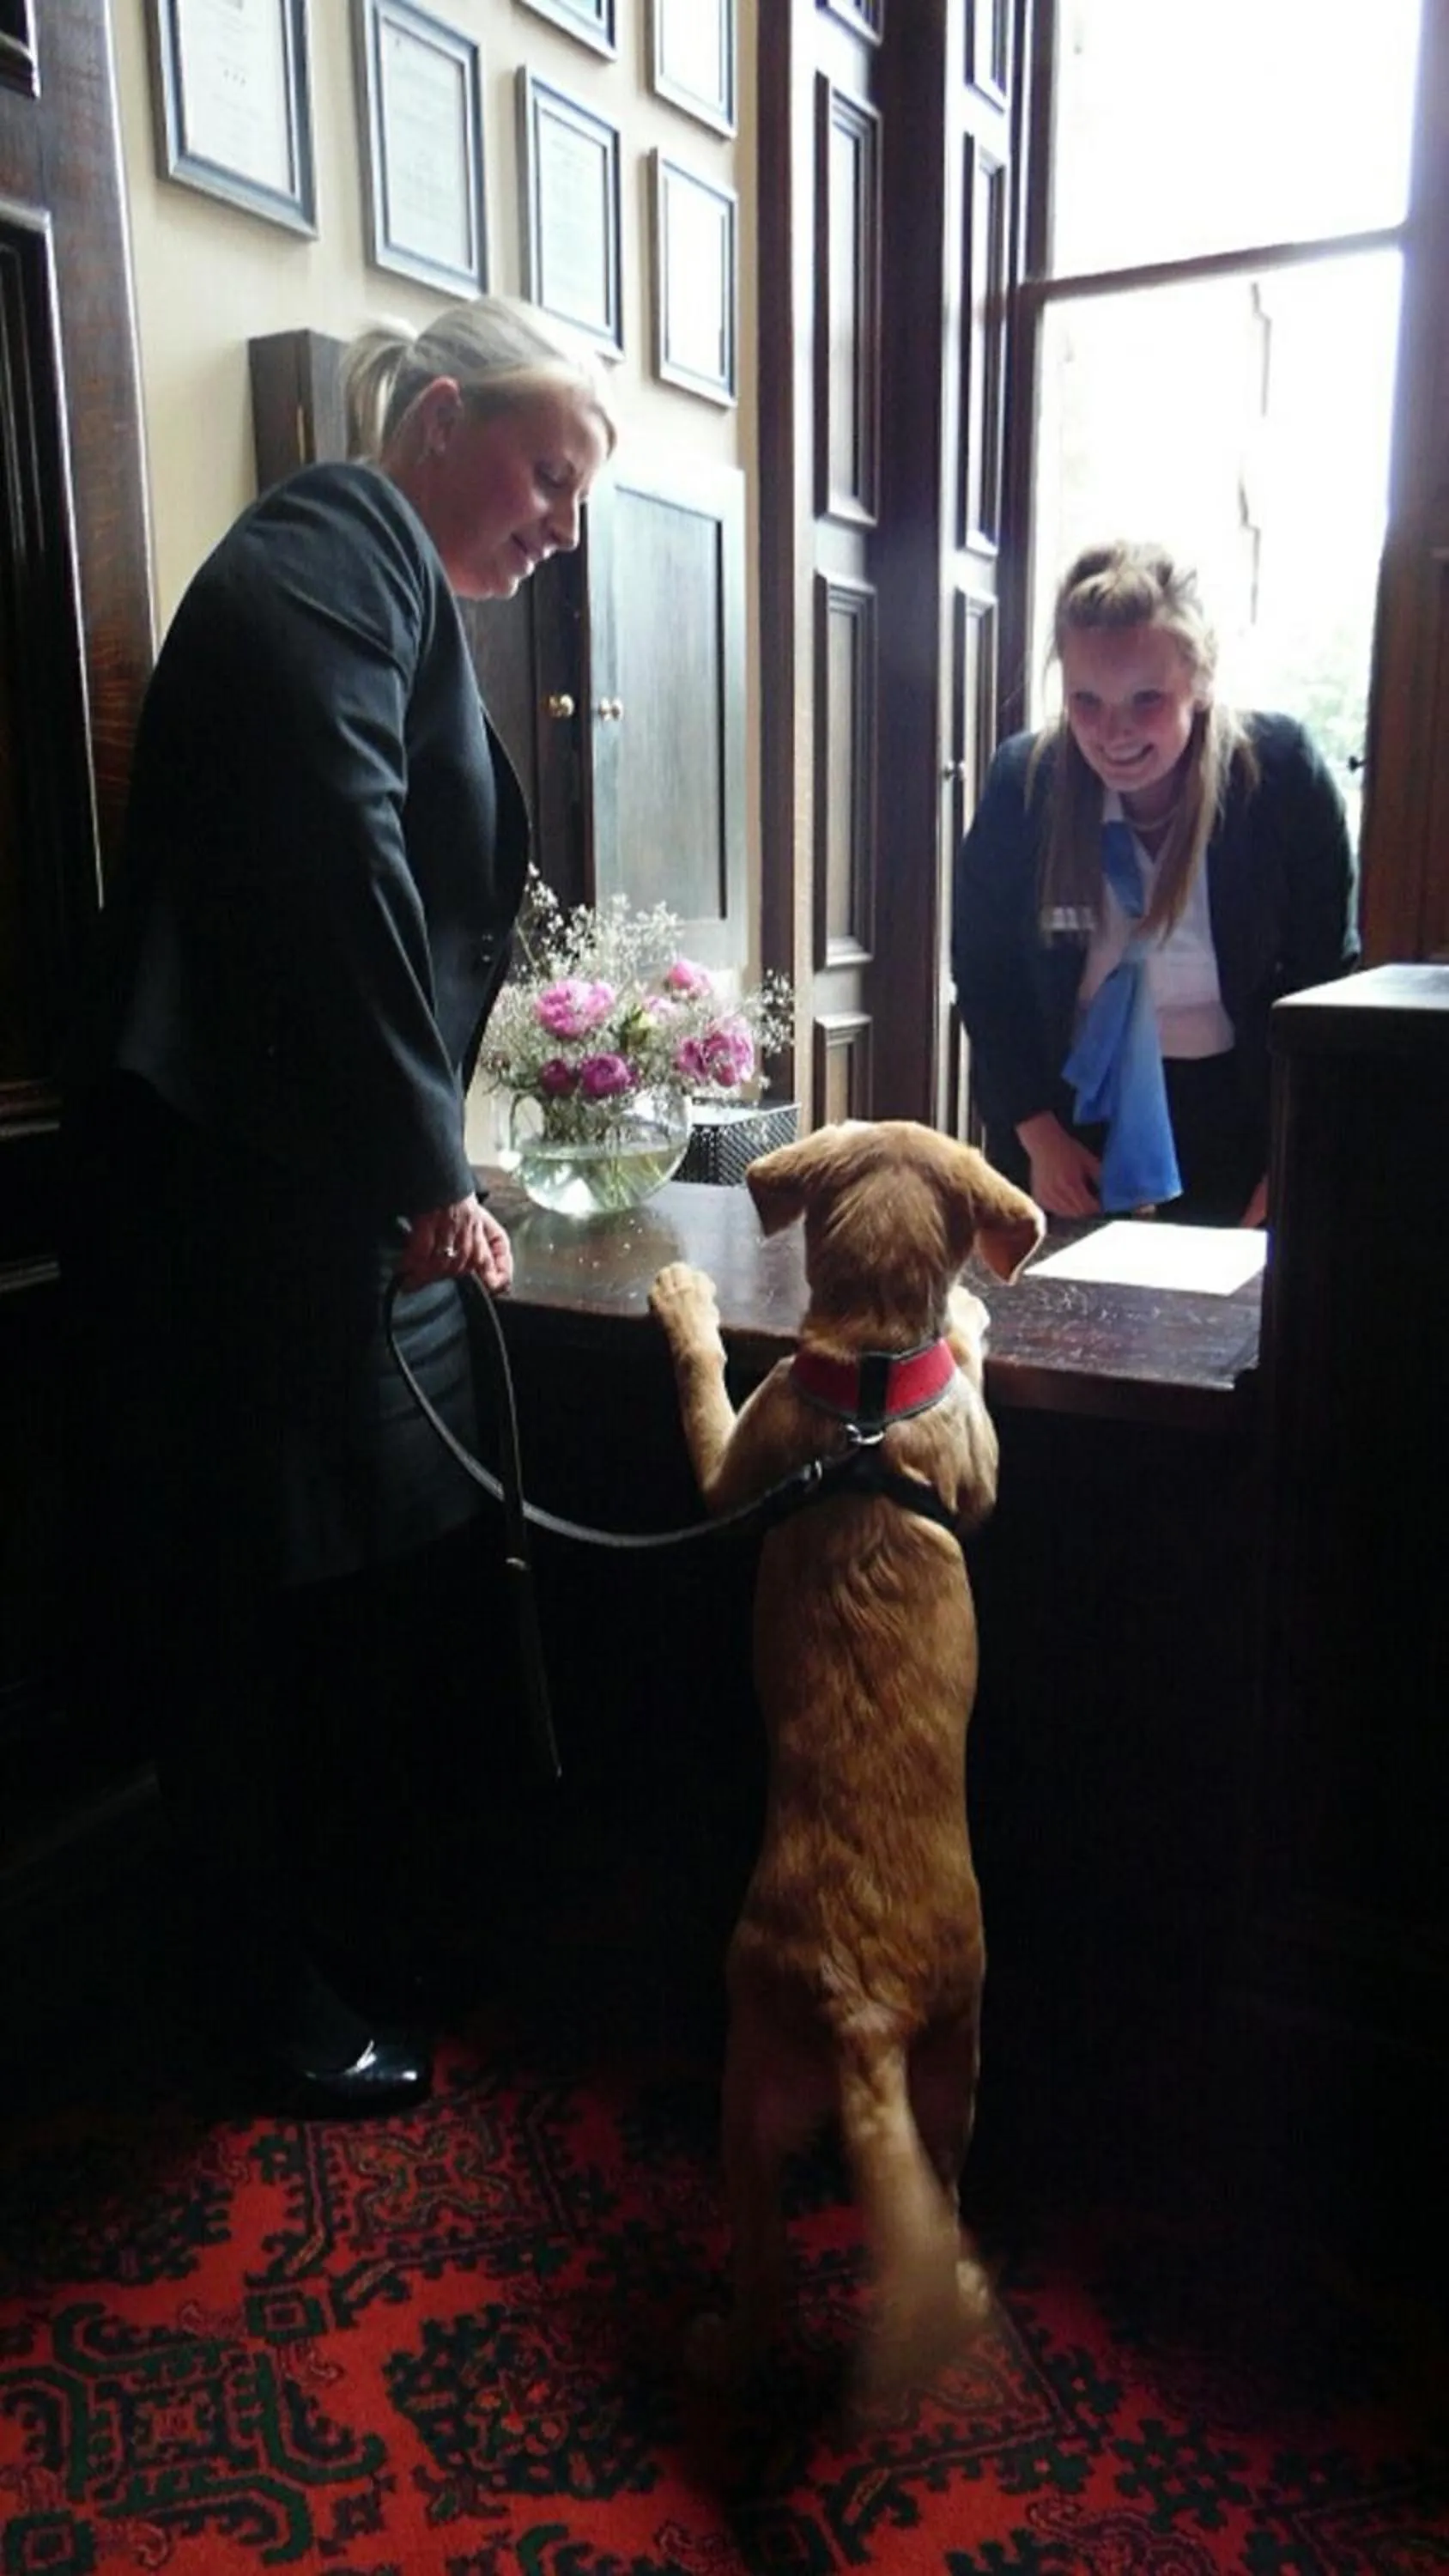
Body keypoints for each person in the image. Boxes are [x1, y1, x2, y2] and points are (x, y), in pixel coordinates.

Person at [59, 295, 616, 2112]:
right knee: (243, 1608)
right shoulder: (336, 536)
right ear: (439, 420)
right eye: (548, 475)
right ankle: (256, 1994)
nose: (562, 525)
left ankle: (356, 1930)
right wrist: (430, 1171)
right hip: (230, 1224)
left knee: (349, 1588)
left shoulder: (393, 588)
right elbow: (334, 845)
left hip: (313, 1209)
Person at [952, 541, 1360, 1227]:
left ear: (1201, 683)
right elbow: (986, 973)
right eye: (1086, 700)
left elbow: (1325, 978)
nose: (1113, 733)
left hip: (1237, 1110)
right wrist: (1035, 1130)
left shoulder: (1282, 778)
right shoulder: (1026, 785)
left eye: (1146, 699)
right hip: (1066, 1110)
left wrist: (1290, 1155)